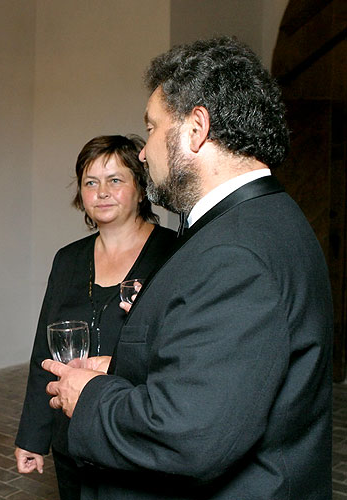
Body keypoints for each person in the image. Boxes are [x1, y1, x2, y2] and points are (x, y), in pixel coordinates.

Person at [43, 36, 333, 499]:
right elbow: (218, 373)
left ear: (196, 128)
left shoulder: (235, 254)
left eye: (153, 128)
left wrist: (90, 397)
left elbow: (190, 433)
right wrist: (121, 370)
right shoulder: (259, 220)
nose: (144, 151)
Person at [14, 135, 176, 498]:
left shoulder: (172, 254)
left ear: (141, 188)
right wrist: (33, 436)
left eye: (115, 180)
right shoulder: (67, 259)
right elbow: (44, 349)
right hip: (72, 436)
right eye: (91, 182)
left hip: (136, 436)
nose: (102, 192)